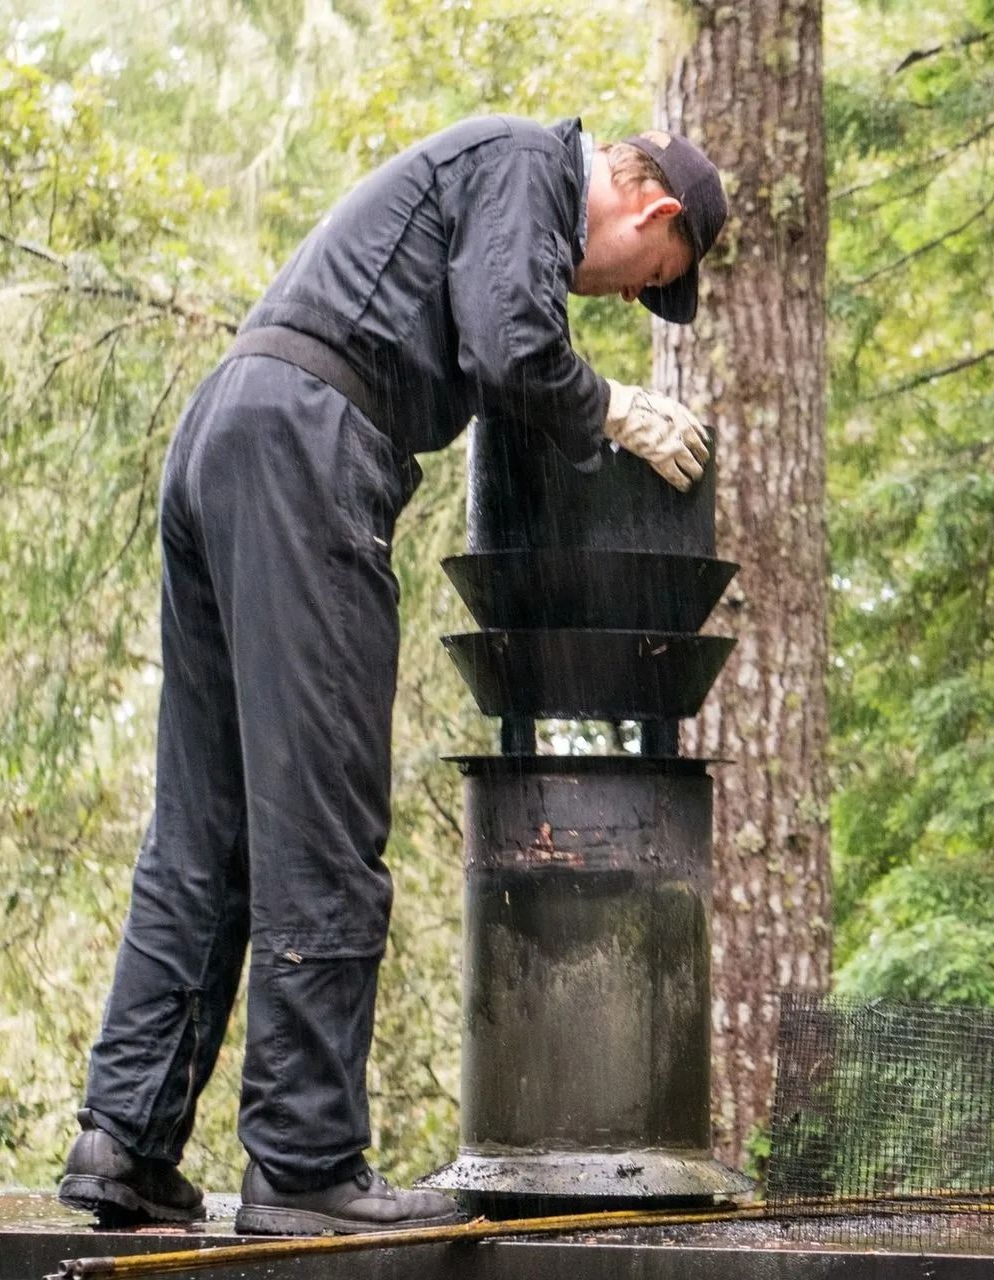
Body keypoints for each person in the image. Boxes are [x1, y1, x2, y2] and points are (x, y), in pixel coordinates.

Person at [54, 116, 728, 1236]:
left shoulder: (490, 185)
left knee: (207, 825)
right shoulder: (529, 162)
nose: (617, 299)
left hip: (231, 430)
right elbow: (512, 345)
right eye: (643, 281)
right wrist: (614, 407)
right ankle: (305, 1161)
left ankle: (123, 1139)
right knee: (323, 825)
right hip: (309, 448)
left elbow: (490, 334)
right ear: (652, 212)